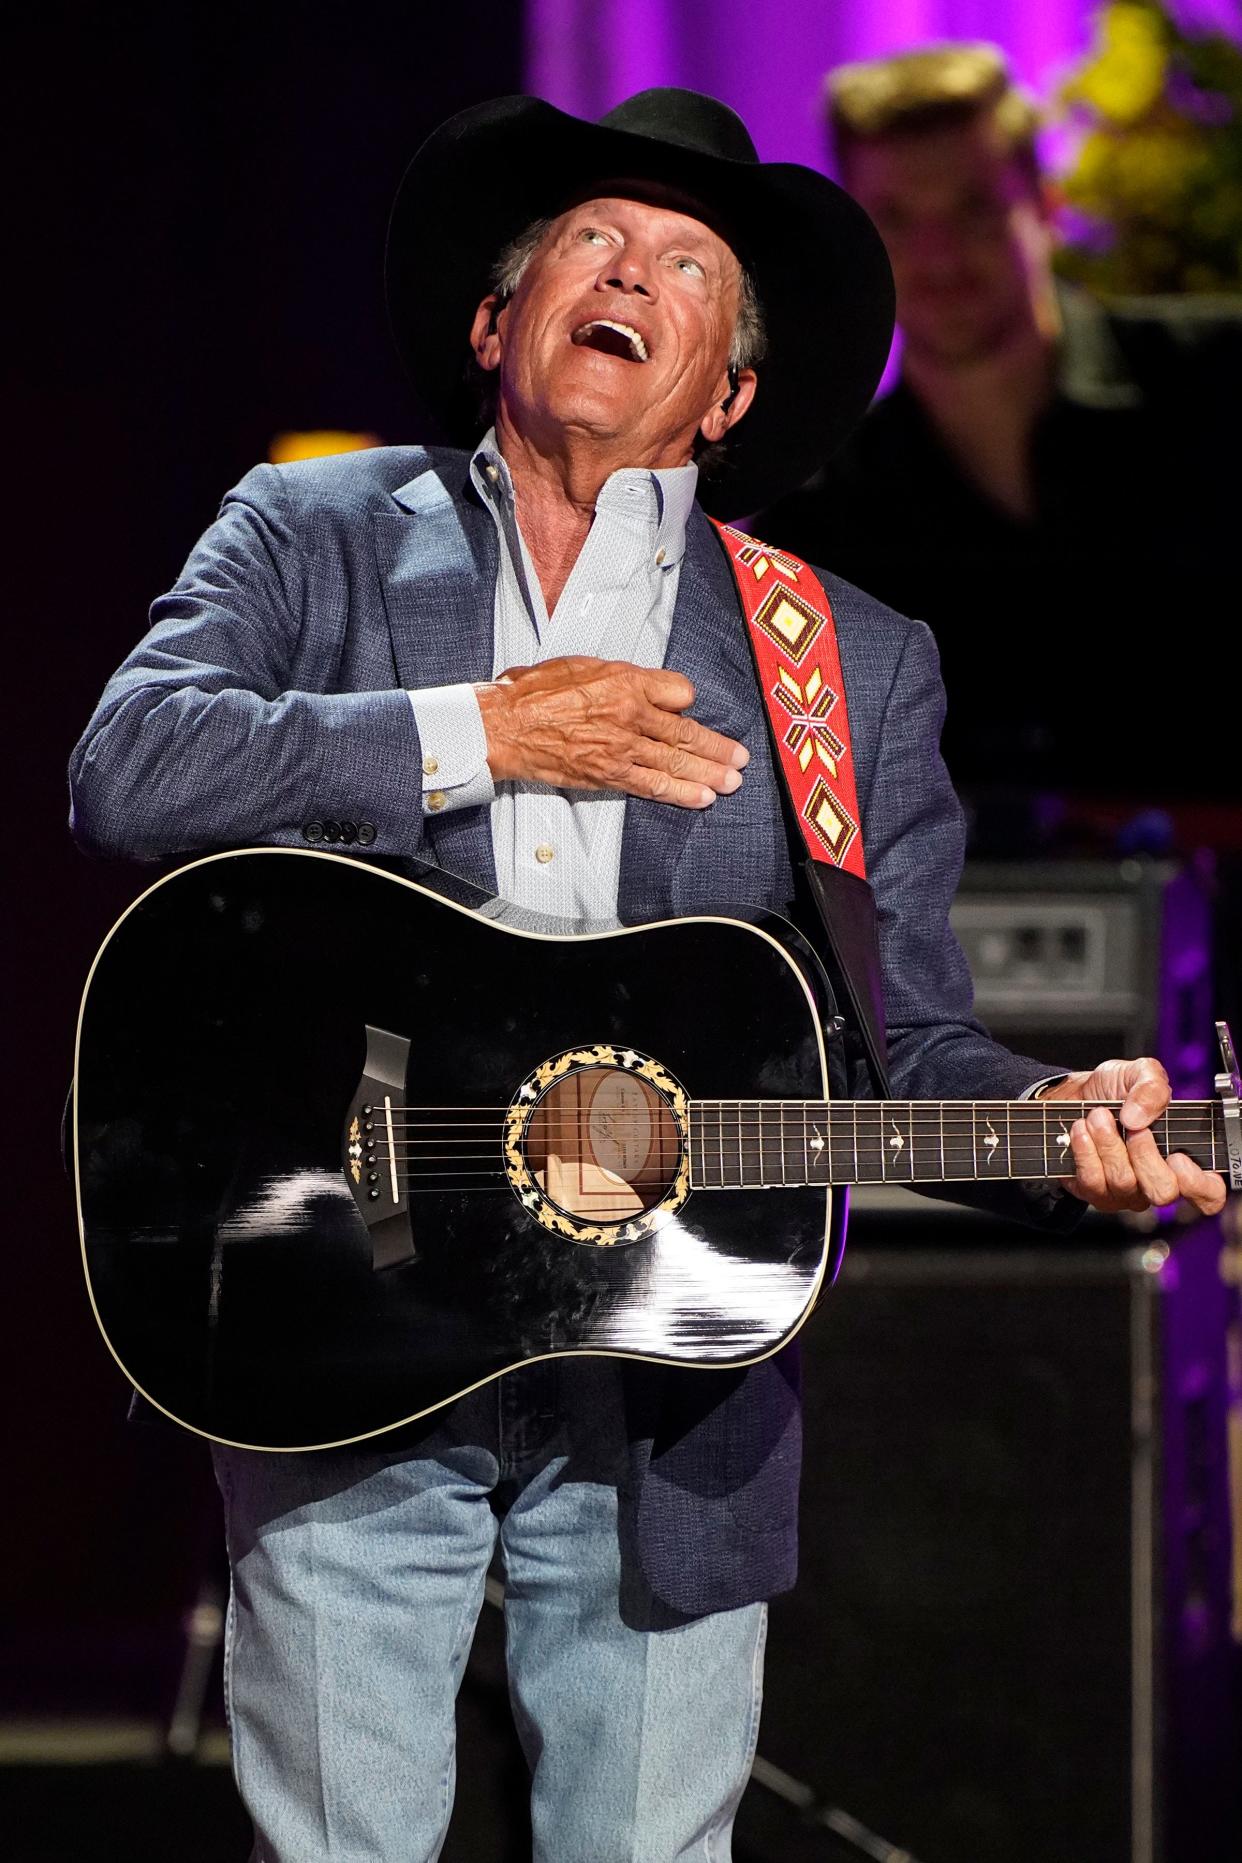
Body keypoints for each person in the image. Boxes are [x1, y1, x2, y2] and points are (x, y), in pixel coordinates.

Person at [68, 88, 1226, 1863]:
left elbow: (899, 1039)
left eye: (687, 263)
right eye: (590, 243)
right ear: (493, 323)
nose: (631, 270)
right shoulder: (310, 532)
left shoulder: (842, 658)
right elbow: (129, 766)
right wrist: (482, 729)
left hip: (669, 1394)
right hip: (340, 1324)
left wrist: (1052, 1120)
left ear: (730, 392)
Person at [760, 44, 1242, 803]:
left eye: (974, 207)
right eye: (895, 219)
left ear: (1044, 204)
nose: (938, 254)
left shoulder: (1222, 385)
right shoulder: (818, 525)